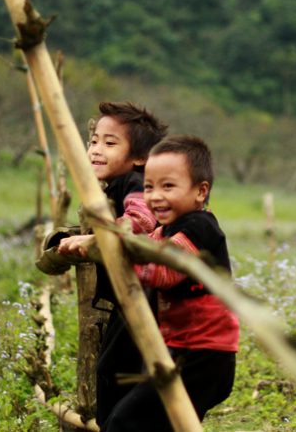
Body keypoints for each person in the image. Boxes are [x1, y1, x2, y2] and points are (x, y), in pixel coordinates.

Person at [101, 135, 239, 431]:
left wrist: (119, 255)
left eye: (168, 186)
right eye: (149, 186)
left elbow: (164, 270)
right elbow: (141, 244)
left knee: (124, 422)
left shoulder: (200, 227)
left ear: (201, 191)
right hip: (181, 351)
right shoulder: (167, 230)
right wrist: (94, 241)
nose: (155, 196)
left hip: (204, 357)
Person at [56, 101, 168, 425]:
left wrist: (94, 240)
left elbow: (141, 219)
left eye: (110, 143)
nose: (96, 150)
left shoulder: (135, 182)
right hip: (131, 296)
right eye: (94, 141)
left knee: (111, 372)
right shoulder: (115, 185)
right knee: (121, 371)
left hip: (141, 296)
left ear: (139, 157)